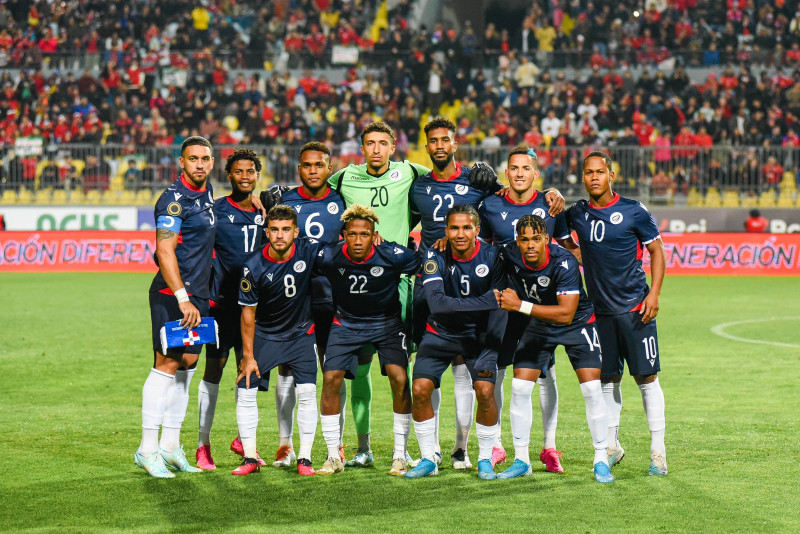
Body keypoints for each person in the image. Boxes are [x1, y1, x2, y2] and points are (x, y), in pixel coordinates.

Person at [260, 121, 497, 467]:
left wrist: (490, 175)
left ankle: (430, 447)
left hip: (398, 283)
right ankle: (353, 446)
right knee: (349, 367)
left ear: (392, 148)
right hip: (345, 282)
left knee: (412, 368)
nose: (376, 149)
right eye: (369, 143)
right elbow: (314, 183)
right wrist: (279, 191)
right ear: (362, 148)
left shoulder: (411, 173)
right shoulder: (344, 177)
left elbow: (445, 176)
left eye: (382, 143)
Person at [565, 151, 668, 476]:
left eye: (600, 171)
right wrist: (581, 254)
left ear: (611, 175)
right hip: (599, 314)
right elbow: (557, 228)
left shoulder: (634, 210)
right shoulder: (577, 213)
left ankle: (658, 452)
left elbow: (657, 251)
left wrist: (654, 293)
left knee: (647, 378)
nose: (594, 177)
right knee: (607, 379)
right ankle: (612, 446)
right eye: (588, 172)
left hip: (636, 310)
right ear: (583, 178)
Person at [478, 144, 577, 474]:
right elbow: (485, 251)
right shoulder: (489, 205)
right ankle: (497, 445)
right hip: (504, 305)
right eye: (514, 168)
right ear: (507, 172)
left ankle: (549, 446)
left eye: (526, 168)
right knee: (501, 371)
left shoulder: (550, 205)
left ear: (537, 174)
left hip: (540, 305)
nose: (519, 173)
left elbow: (565, 251)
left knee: (545, 374)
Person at [496, 215, 612, 483]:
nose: (530, 245)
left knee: (592, 389)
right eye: (524, 240)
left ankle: (601, 459)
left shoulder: (564, 261)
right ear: (517, 241)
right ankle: (522, 460)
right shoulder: (509, 253)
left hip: (576, 324)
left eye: (536, 239)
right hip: (539, 325)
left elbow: (566, 314)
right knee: (520, 387)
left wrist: (520, 306)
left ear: (546, 239)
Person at [314, 204, 421, 476]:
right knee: (330, 378)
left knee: (399, 378)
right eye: (352, 234)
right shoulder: (330, 256)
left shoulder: (391, 255)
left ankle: (399, 455)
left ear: (374, 235)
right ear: (344, 235)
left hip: (387, 324)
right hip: (345, 323)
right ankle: (332, 455)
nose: (358, 240)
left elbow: (424, 262)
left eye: (364, 234)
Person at [405, 205, 507, 480]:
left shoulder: (493, 255)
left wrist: (459, 306)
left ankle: (485, 458)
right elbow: (436, 305)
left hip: (480, 336)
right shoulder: (434, 254)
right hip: (440, 333)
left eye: (465, 228)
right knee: (420, 388)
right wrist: (484, 301)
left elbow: (499, 303)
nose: (459, 234)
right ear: (446, 230)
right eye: (453, 228)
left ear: (476, 229)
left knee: (485, 391)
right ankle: (428, 458)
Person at [136, 136, 217, 478]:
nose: (200, 164)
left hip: (199, 295)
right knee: (166, 364)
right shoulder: (172, 200)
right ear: (181, 162)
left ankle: (170, 445)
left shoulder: (207, 193)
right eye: (193, 159)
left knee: (188, 364)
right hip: (174, 295)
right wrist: (182, 297)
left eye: (206, 158)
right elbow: (164, 252)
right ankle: (147, 449)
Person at [270, 142, 346, 468]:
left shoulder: (342, 201)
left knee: (332, 370)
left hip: (332, 297)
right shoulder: (284, 201)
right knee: (287, 370)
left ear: (329, 168)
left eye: (319, 165)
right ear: (299, 169)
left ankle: (337, 443)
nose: (313, 170)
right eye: (307, 165)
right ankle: (285, 445)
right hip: (294, 299)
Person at [235, 205, 320, 476]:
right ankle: (249, 457)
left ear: (296, 232)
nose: (280, 235)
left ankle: (304, 458)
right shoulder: (253, 265)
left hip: (301, 334)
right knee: (246, 388)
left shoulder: (309, 250)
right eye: (274, 230)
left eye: (285, 230)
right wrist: (248, 356)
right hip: (265, 335)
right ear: (267, 231)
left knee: (307, 393)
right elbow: (247, 313)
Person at [194, 149, 265, 471]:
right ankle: (202, 445)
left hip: (254, 307)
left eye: (250, 171)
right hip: (222, 305)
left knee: (247, 371)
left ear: (258, 175)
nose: (245, 176)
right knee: (213, 372)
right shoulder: (217, 210)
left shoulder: (268, 213)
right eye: (239, 171)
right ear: (229, 176)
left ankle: (243, 441)